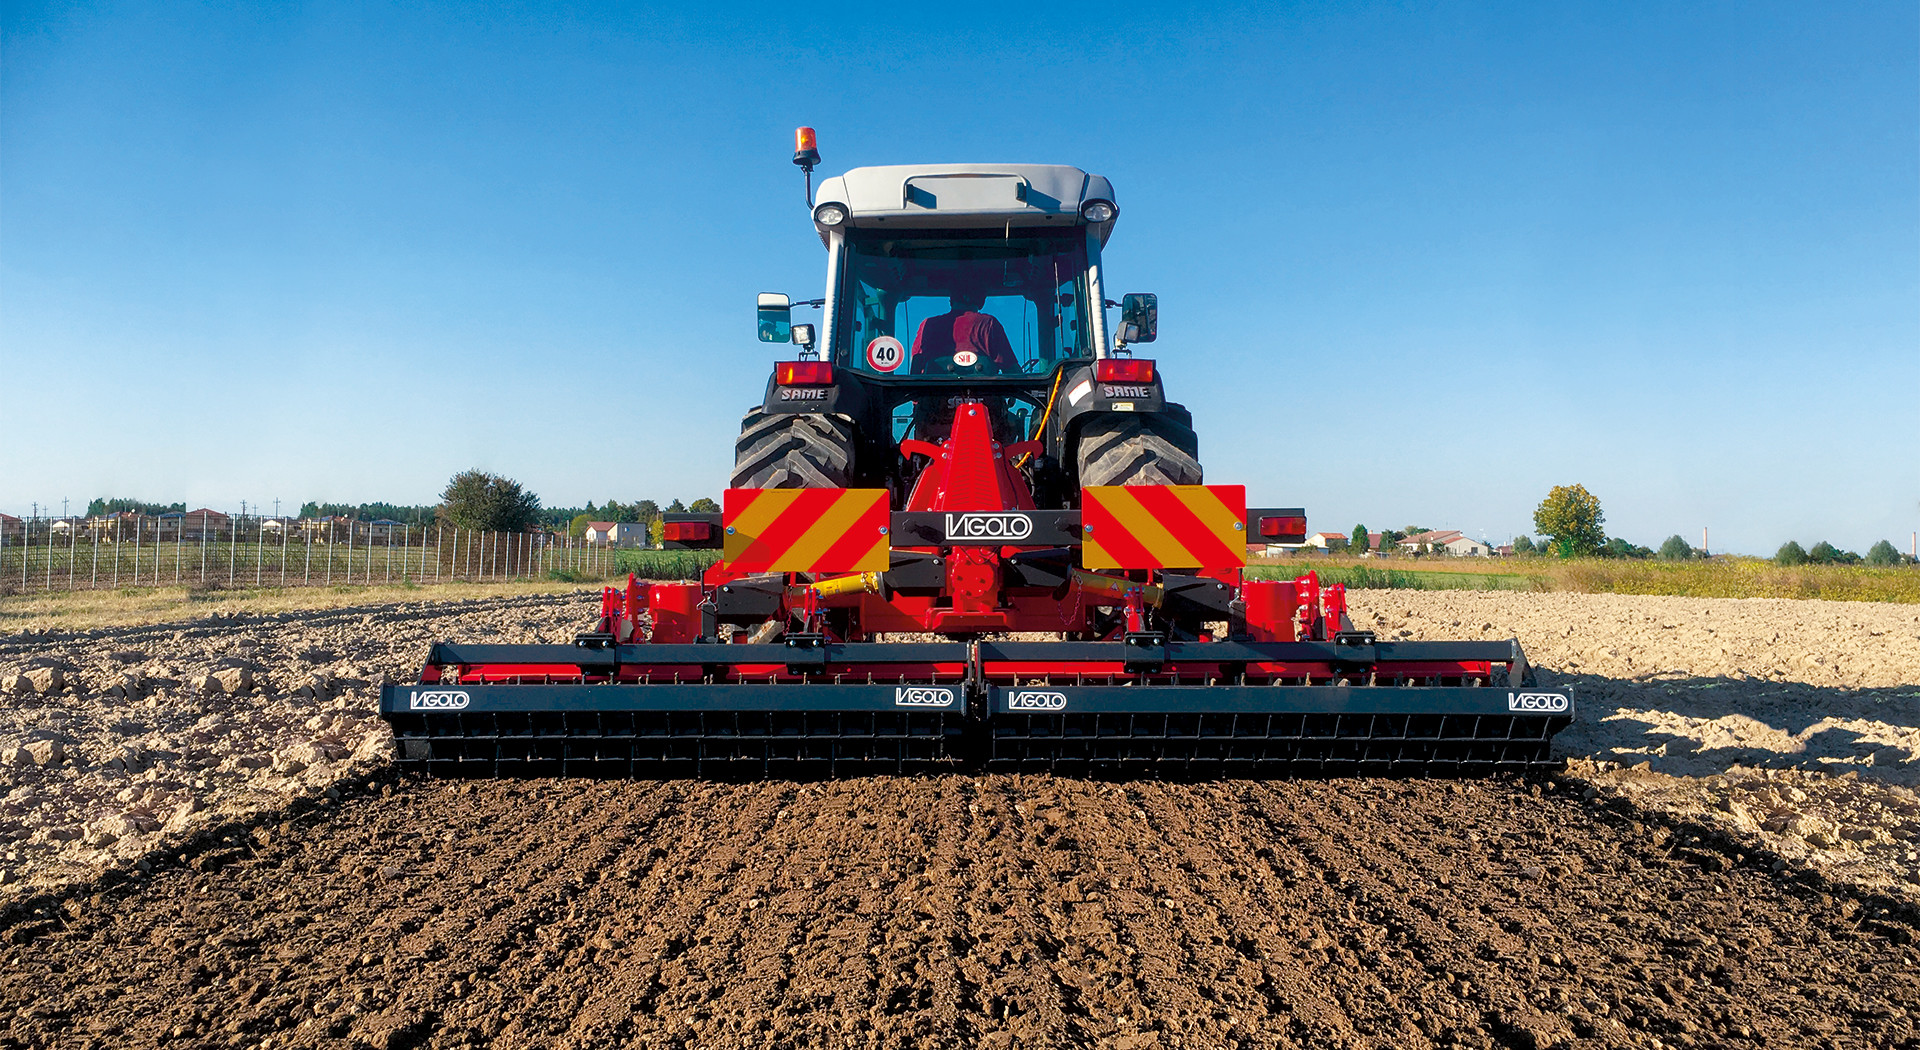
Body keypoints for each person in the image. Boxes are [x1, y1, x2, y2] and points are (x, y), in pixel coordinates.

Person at [910, 288, 1019, 374]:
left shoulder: (928, 325)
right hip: (985, 397)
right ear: (980, 300)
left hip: (934, 399)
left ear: (951, 300)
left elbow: (916, 367)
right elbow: (1011, 369)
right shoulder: (989, 324)